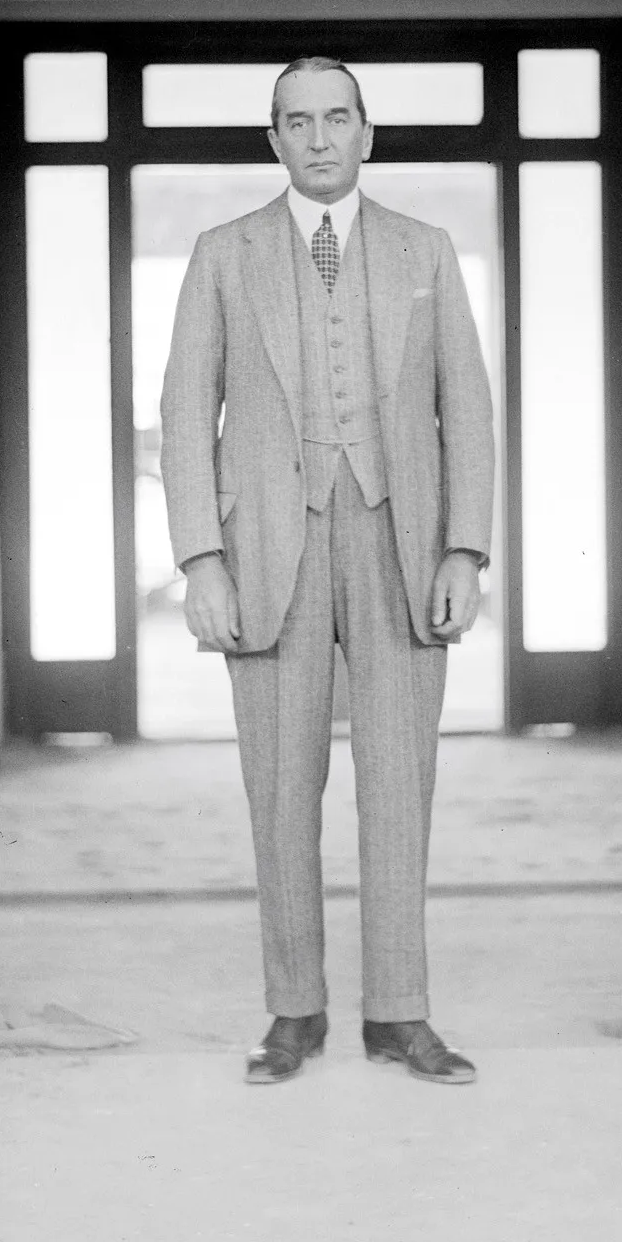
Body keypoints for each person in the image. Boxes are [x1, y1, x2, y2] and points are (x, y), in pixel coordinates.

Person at [160, 56, 495, 1085]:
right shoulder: (224, 254)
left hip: (400, 544)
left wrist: (464, 549)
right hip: (267, 548)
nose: (318, 137)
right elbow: (183, 415)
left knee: (400, 785)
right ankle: (293, 1010)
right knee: (280, 785)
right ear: (273, 138)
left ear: (366, 133)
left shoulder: (424, 250)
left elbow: (467, 411)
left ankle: (399, 1011)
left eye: (336, 118)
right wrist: (200, 561)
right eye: (296, 121)